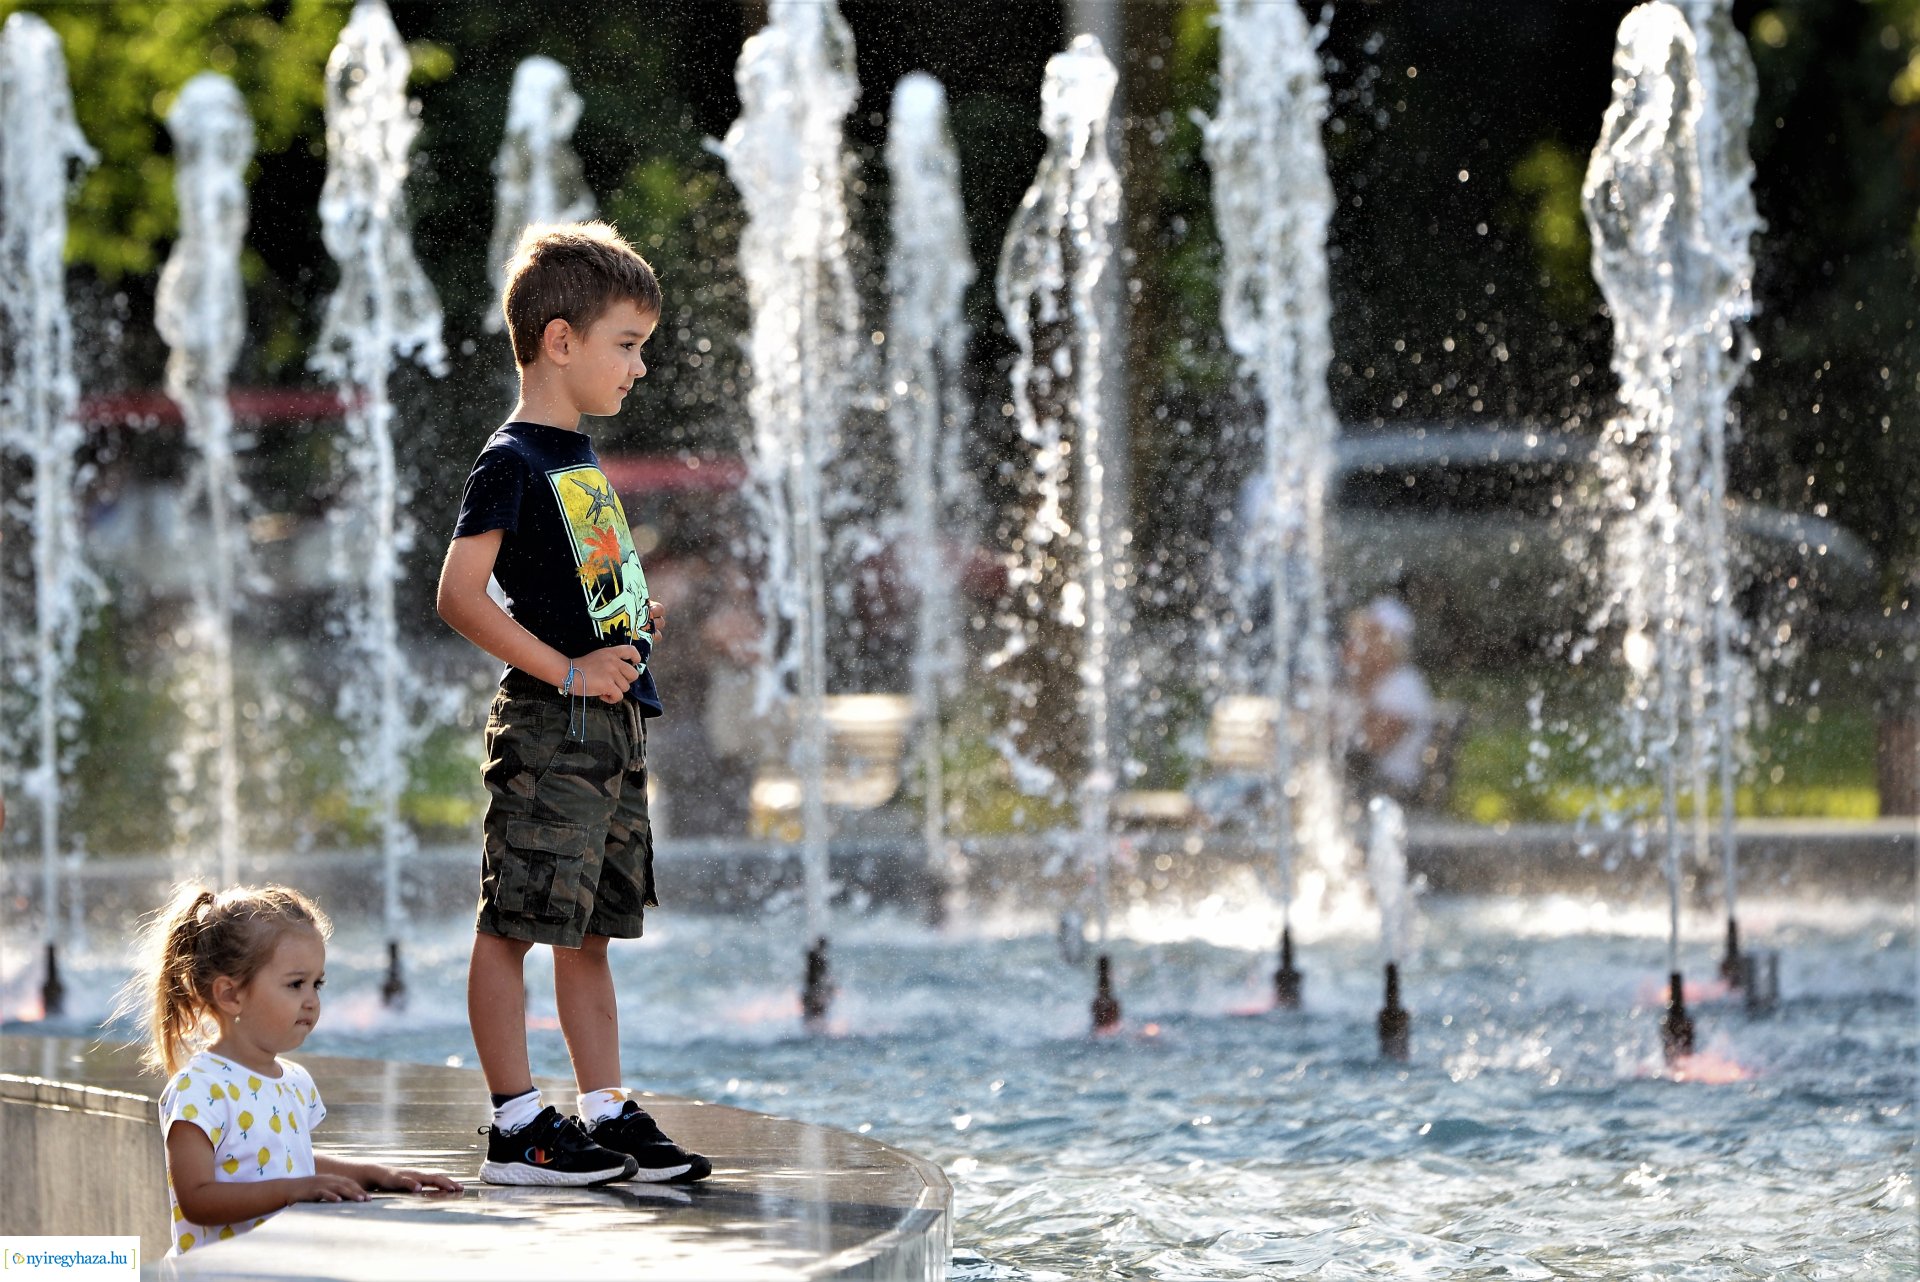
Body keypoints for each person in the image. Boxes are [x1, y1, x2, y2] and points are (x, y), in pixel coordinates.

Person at [435, 220, 711, 1187]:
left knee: (590, 929)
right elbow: (459, 595)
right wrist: (568, 671)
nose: (639, 367)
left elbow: (571, 590)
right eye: (626, 345)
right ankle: (516, 1125)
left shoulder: (575, 460)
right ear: (560, 340)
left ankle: (603, 1107)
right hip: (554, 728)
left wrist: (629, 619)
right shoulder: (512, 459)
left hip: (610, 729)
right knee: (514, 921)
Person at [127, 883, 462, 1258]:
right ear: (231, 995)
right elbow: (197, 1199)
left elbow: (287, 1160)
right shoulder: (199, 1090)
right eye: (296, 984)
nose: (312, 1001)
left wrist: (377, 1174)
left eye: (317, 984)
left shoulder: (295, 1082)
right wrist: (291, 1191)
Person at [1340, 596, 1436, 805]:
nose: (1358, 641)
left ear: (1391, 644)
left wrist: (1362, 686)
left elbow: (1373, 746)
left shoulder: (1403, 684)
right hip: (1370, 785)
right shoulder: (1377, 682)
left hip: (1394, 789)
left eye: (1370, 635)